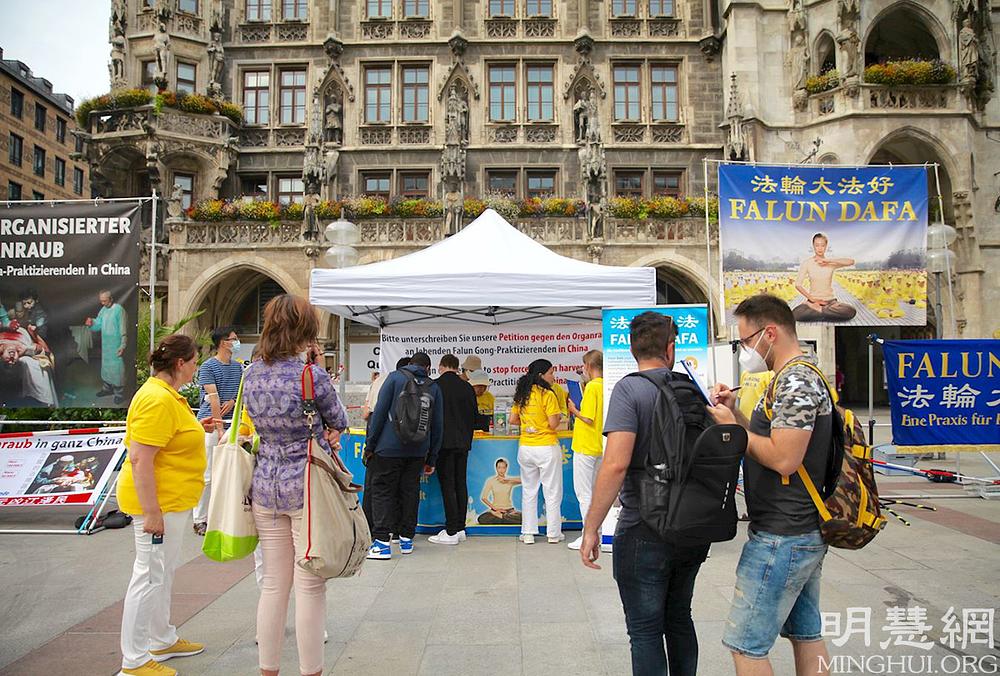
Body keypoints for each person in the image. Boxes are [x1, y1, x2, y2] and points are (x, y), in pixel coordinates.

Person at [708, 294, 834, 676]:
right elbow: (773, 438)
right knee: (806, 634)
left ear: (770, 333)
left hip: (783, 535)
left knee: (745, 647)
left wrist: (733, 430)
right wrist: (737, 414)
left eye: (746, 340)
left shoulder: (795, 381)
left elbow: (783, 458)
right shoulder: (796, 374)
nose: (745, 349)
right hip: (798, 529)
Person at [580, 313, 711, 675]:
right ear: (670, 347)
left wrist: (591, 527)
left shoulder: (629, 390)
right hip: (692, 523)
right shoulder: (692, 389)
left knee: (645, 629)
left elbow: (615, 464)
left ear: (631, 347)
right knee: (679, 617)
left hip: (644, 526)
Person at [242, 294, 348, 676]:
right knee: (310, 586)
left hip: (265, 486)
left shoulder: (251, 374)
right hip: (306, 488)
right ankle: (310, 671)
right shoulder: (310, 376)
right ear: (305, 332)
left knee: (273, 584)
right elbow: (339, 419)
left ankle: (268, 670)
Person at [116, 334, 218, 676]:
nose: (196, 368)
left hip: (171, 501)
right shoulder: (157, 398)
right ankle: (134, 660)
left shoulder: (166, 396)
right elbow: (140, 458)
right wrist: (152, 513)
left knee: (160, 574)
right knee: (148, 576)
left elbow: (167, 439)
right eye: (194, 362)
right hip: (158, 503)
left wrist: (196, 427)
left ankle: (161, 639)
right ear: (179, 363)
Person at [365, 351, 443, 559]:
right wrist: (432, 457)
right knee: (410, 492)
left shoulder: (394, 378)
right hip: (417, 450)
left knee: (383, 491)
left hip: (387, 448)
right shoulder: (433, 387)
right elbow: (437, 425)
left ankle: (382, 542)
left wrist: (370, 445)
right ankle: (406, 539)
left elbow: (379, 413)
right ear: (428, 368)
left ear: (410, 364)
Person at [192, 327, 244, 536]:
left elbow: (240, 393)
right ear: (223, 342)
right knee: (208, 474)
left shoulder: (238, 368)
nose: (237, 342)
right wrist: (220, 428)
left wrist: (233, 402)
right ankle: (200, 519)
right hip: (211, 425)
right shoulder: (208, 366)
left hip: (233, 423)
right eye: (234, 339)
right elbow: (213, 398)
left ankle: (222, 517)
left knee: (229, 473)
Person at [510, 358, 564, 545]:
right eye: (551, 373)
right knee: (552, 492)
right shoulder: (548, 395)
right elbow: (553, 424)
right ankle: (553, 534)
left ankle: (528, 533)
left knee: (529, 491)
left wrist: (529, 424)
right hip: (546, 446)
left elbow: (513, 420)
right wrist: (556, 417)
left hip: (526, 447)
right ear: (541, 375)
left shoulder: (522, 394)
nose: (553, 376)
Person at [429, 354, 478, 545]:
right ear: (457, 368)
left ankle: (450, 531)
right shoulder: (467, 387)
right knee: (460, 483)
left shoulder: (435, 386)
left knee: (447, 485)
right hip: (463, 443)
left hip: (443, 444)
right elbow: (475, 417)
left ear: (441, 367)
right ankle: (460, 528)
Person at [361, 356, 411, 533]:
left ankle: (372, 527)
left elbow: (366, 413)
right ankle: (396, 530)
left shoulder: (380, 380)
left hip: (377, 435)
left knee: (375, 486)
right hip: (398, 437)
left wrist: (370, 446)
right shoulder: (411, 383)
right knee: (400, 487)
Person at [567, 349, 604, 551]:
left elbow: (588, 417)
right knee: (596, 492)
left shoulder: (592, 388)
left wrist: (574, 410)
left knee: (584, 494)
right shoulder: (605, 385)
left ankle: (588, 535)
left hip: (585, 444)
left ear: (589, 366)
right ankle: (598, 533)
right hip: (599, 444)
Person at [792, 232, 857, 322]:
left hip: (830, 302)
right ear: (813, 246)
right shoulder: (807, 263)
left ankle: (819, 311)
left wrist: (828, 260)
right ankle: (828, 314)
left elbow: (851, 262)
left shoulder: (830, 263)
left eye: (822, 245)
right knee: (795, 314)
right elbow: (798, 285)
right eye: (817, 245)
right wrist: (812, 299)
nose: (820, 248)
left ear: (826, 246)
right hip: (813, 302)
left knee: (850, 311)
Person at [85, 289, 128, 404]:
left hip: (116, 345)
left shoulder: (119, 310)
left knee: (117, 370)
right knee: (106, 368)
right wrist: (91, 323)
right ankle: (107, 389)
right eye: (101, 301)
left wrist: (123, 345)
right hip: (106, 346)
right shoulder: (103, 310)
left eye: (105, 301)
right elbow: (98, 324)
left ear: (111, 299)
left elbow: (123, 328)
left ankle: (119, 394)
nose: (103, 303)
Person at [477, 458, 523, 524]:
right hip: (495, 511)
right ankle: (506, 519)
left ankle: (501, 517)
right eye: (499, 467)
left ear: (506, 468)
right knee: (482, 518)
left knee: (523, 517)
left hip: (509, 511)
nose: (501, 470)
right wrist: (495, 509)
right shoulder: (491, 480)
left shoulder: (509, 480)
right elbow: (483, 497)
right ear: (496, 468)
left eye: (503, 468)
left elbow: (523, 480)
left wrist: (508, 479)